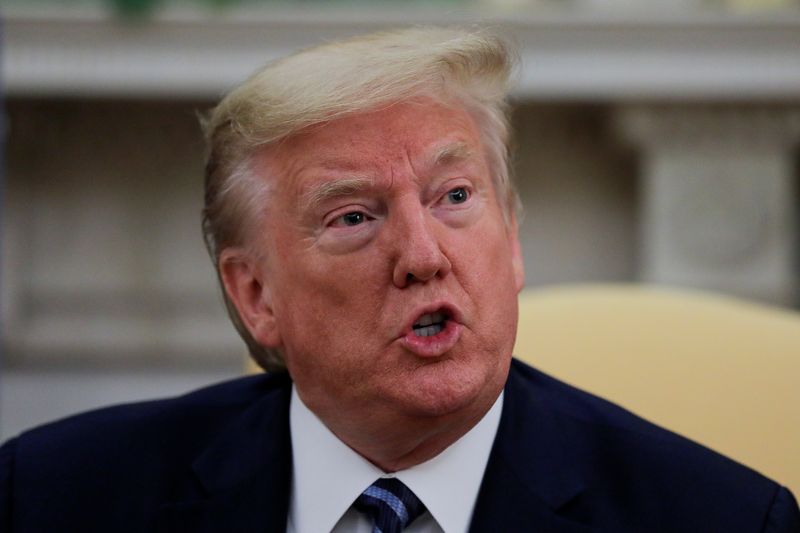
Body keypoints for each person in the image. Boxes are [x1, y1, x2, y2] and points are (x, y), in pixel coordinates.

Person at [1, 27, 798, 533]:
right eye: (353, 216)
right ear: (255, 294)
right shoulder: (50, 497)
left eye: (454, 197)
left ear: (513, 241)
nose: (424, 255)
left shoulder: (718, 518)